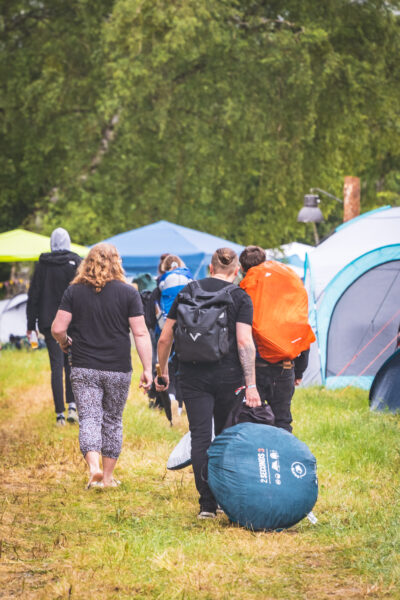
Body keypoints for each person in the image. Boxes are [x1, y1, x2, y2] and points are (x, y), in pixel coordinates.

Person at [156, 248, 261, 519]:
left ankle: (207, 505)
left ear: (210, 269)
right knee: (226, 435)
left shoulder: (187, 292)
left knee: (201, 437)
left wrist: (163, 371)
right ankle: (226, 498)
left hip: (191, 376)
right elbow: (244, 343)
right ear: (236, 271)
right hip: (229, 377)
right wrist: (251, 384)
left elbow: (165, 337)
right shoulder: (240, 296)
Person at [51, 243, 152, 488]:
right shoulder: (129, 293)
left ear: (88, 262)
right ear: (117, 262)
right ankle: (107, 478)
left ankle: (93, 468)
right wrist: (148, 368)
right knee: (112, 421)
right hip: (118, 368)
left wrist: (64, 343)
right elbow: (140, 333)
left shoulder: (74, 292)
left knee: (90, 419)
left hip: (84, 366)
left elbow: (57, 328)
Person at [239, 246, 311, 433]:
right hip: (285, 367)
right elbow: (299, 326)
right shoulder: (287, 282)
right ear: (264, 260)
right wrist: (300, 371)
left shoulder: (246, 287)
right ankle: (283, 459)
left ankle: (257, 459)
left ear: (242, 268)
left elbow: (242, 334)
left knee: (251, 419)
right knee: (282, 420)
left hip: (256, 368)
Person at [26, 228, 82, 426]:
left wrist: (30, 324)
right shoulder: (76, 262)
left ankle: (60, 414)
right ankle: (73, 406)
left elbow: (33, 296)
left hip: (49, 323)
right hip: (73, 322)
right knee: (72, 364)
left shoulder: (42, 265)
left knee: (56, 366)